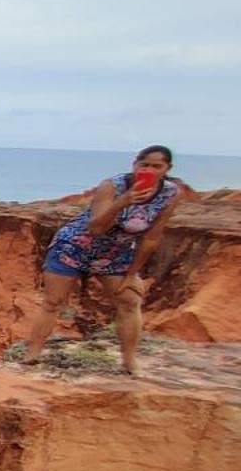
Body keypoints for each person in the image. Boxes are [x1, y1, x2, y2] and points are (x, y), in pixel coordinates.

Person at [16, 145, 187, 375]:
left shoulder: (170, 194)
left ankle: (129, 361)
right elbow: (96, 227)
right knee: (53, 301)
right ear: (134, 164)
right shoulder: (112, 186)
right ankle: (32, 354)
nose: (149, 170)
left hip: (116, 252)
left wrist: (132, 273)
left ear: (168, 168)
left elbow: (152, 236)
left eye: (157, 166)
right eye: (144, 165)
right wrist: (123, 202)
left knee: (129, 301)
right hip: (76, 245)